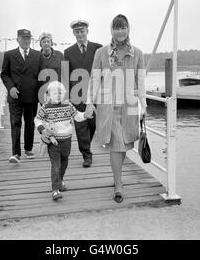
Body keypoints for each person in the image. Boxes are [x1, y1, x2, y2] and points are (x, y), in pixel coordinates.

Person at [86, 14, 147, 203]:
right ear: (111, 30)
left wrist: (143, 105)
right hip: (108, 106)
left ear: (128, 29)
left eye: (123, 28)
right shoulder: (101, 53)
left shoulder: (137, 53)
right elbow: (95, 79)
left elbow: (141, 81)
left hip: (128, 106)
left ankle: (117, 179)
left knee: (123, 145)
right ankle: (119, 184)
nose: (120, 31)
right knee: (116, 144)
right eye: (116, 28)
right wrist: (90, 102)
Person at [34, 81, 94, 201]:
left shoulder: (68, 105)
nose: (58, 95)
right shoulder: (46, 107)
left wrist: (85, 116)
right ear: (49, 94)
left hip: (67, 140)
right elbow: (37, 120)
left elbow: (77, 116)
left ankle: (59, 181)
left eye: (60, 92)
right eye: (55, 93)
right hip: (53, 141)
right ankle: (55, 190)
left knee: (64, 163)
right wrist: (43, 130)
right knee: (56, 165)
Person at [0, 29, 45, 163]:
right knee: (15, 123)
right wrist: (11, 87)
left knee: (30, 123)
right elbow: (4, 74)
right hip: (15, 95)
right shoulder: (9, 54)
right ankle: (16, 153)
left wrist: (42, 96)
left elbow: (42, 76)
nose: (26, 41)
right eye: (23, 38)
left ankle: (28, 148)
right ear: (18, 39)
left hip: (31, 95)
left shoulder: (38, 55)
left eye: (28, 38)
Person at [64, 20, 102, 168]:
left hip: (94, 93)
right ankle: (87, 154)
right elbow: (66, 74)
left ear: (87, 31)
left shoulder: (98, 48)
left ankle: (87, 145)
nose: (80, 34)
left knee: (92, 124)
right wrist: (66, 95)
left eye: (82, 31)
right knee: (80, 126)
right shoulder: (68, 52)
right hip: (76, 94)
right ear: (74, 33)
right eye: (77, 32)